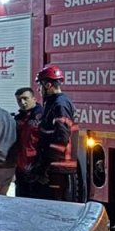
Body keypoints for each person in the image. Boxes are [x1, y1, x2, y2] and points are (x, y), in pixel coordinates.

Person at [30, 65, 78, 199]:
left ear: (48, 85)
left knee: (54, 209)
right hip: (54, 167)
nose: (38, 89)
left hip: (57, 168)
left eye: (40, 85)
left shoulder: (60, 105)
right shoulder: (53, 103)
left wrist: (44, 166)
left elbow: (61, 137)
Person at [12, 86, 43, 198]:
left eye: (26, 98)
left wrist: (41, 166)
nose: (22, 102)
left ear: (34, 98)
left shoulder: (42, 117)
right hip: (20, 167)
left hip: (36, 166)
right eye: (19, 100)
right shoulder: (18, 119)